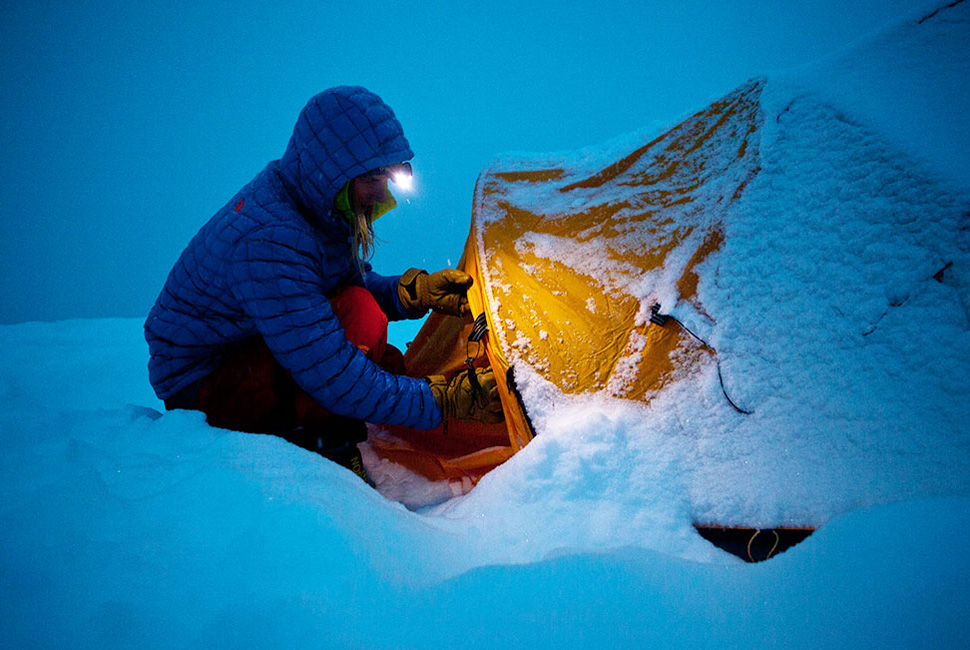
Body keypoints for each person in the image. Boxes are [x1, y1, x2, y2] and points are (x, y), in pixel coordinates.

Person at [145, 86, 503, 479]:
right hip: (203, 387)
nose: (382, 193)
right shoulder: (271, 239)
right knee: (360, 350)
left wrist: (409, 294)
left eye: (385, 176)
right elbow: (333, 372)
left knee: (364, 322)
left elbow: (332, 289)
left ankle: (319, 421)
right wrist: (443, 403)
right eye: (372, 178)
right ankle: (319, 446)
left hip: (251, 350)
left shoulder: (313, 208)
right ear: (336, 173)